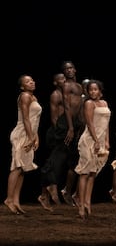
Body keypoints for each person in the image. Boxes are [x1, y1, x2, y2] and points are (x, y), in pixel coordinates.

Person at [4, 75, 42, 214]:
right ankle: (9, 199)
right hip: (21, 134)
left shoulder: (34, 97)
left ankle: (16, 201)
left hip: (30, 134)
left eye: (32, 80)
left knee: (23, 170)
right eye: (27, 81)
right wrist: (30, 137)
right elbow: (25, 118)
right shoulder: (24, 96)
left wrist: (36, 137)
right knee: (17, 167)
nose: (32, 82)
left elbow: (35, 120)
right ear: (22, 86)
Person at [74, 80, 111, 219]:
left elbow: (106, 124)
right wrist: (96, 140)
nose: (93, 92)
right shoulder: (89, 103)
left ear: (100, 90)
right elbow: (89, 123)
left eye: (95, 89)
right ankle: (81, 204)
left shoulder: (105, 103)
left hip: (100, 141)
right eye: (91, 90)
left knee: (93, 173)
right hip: (89, 140)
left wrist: (106, 140)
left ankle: (88, 203)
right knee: (84, 172)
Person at [38, 73, 67, 211]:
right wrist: (59, 133)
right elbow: (54, 117)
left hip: (66, 131)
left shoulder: (68, 94)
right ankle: (46, 192)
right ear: (55, 82)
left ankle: (46, 193)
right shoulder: (56, 94)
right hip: (57, 132)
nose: (64, 80)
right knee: (52, 163)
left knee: (57, 163)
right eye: (61, 78)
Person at [59, 61, 85, 206]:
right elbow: (67, 106)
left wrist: (81, 125)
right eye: (66, 69)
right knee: (69, 160)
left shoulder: (80, 86)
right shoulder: (66, 85)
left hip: (78, 124)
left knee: (79, 159)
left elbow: (81, 107)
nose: (69, 70)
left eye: (71, 68)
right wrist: (70, 127)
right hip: (68, 124)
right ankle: (67, 191)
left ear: (75, 69)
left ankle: (71, 191)